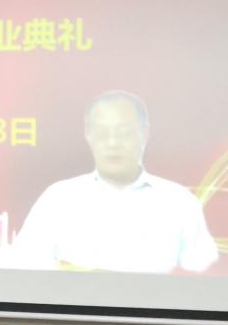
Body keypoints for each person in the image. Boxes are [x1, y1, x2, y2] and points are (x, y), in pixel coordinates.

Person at [17, 91, 219, 274]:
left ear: (144, 135)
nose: (113, 143)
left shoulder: (179, 202)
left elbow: (203, 275)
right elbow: (25, 268)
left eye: (124, 133)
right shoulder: (58, 198)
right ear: (88, 136)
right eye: (102, 133)